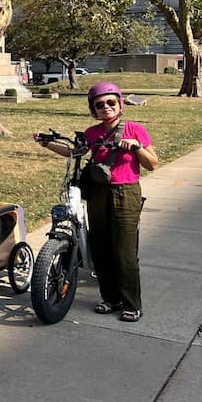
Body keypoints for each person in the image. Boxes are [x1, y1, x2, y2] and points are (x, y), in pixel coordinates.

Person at [34, 81, 159, 322]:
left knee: (124, 252)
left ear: (120, 104)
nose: (106, 107)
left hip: (125, 192)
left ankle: (132, 304)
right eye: (99, 104)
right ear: (94, 109)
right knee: (100, 249)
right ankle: (110, 299)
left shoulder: (135, 129)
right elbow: (75, 153)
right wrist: (45, 143)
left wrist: (137, 147)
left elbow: (152, 163)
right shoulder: (92, 133)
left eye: (111, 102)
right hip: (98, 194)